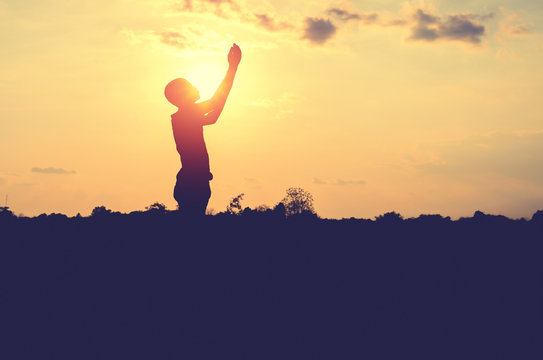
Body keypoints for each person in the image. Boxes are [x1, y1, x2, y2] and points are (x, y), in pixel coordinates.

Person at [165, 43, 242, 215]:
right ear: (182, 96)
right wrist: (233, 67)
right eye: (190, 87)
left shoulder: (183, 117)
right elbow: (215, 103)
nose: (195, 87)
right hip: (193, 183)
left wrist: (219, 102)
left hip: (193, 181)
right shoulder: (186, 114)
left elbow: (213, 116)